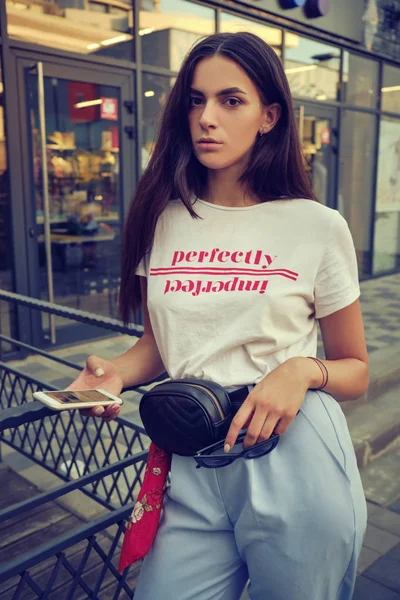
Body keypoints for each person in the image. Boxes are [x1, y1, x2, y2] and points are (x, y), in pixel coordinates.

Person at [68, 32, 369, 600]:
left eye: (231, 101)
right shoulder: (162, 218)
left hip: (293, 454)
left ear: (268, 116)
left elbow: (355, 368)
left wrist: (302, 370)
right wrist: (115, 372)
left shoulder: (317, 226)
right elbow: (158, 347)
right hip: (192, 456)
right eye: (196, 100)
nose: (207, 117)